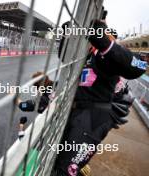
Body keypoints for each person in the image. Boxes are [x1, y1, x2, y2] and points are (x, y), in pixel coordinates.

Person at [52, 19, 147, 176]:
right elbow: (65, 57)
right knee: (61, 162)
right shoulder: (86, 55)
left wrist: (105, 43)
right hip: (78, 113)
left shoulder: (108, 55)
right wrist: (66, 34)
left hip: (93, 118)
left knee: (65, 170)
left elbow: (139, 66)